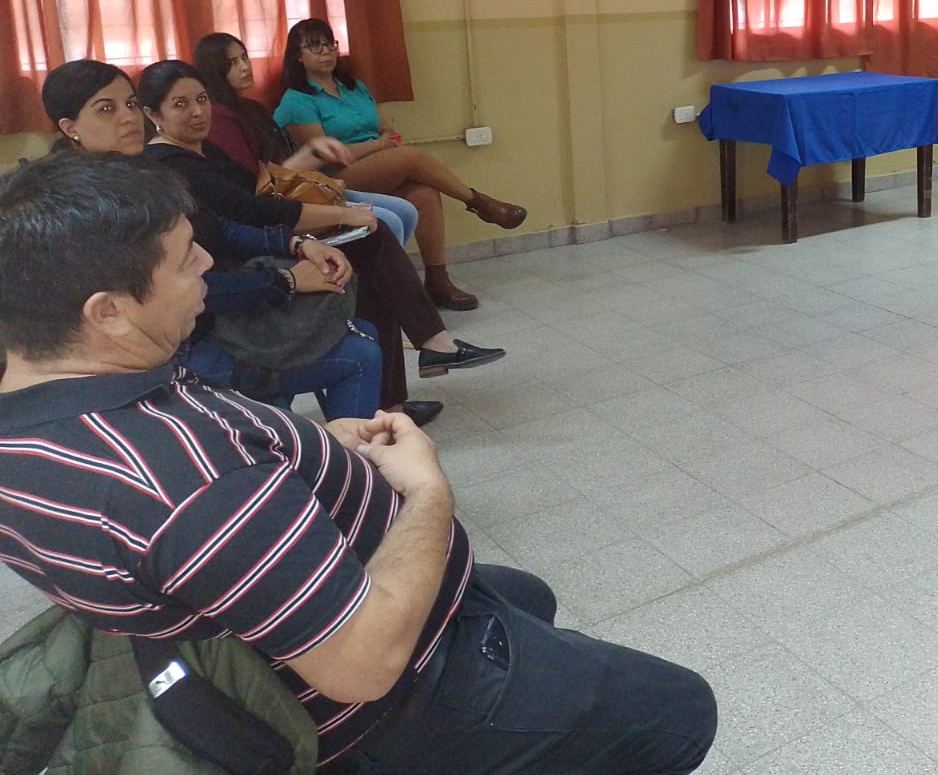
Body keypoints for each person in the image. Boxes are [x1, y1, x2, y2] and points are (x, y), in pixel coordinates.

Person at [0, 151, 718, 774]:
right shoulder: (188, 483)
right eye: (187, 259)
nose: (208, 265)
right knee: (682, 710)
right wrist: (428, 494)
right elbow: (361, 665)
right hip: (387, 701)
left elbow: (196, 508)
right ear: (107, 312)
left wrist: (304, 447)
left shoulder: (49, 402)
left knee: (526, 595)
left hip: (273, 620)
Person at [136, 61, 505, 414]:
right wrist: (339, 216)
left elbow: (258, 188)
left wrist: (311, 157)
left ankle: (397, 394)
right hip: (244, 267)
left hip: (266, 241)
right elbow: (251, 210)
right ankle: (429, 346)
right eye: (180, 104)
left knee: (375, 266)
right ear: (153, 114)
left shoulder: (203, 149)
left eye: (201, 99)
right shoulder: (170, 162)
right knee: (371, 240)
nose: (198, 112)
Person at [42, 60, 385, 423]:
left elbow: (219, 228)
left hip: (207, 320)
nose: (128, 118)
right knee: (360, 354)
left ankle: (314, 440)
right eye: (106, 109)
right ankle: (332, 452)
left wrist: (296, 245)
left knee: (359, 328)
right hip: (173, 354)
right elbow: (181, 289)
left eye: (129, 104)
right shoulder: (90, 207)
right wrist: (286, 280)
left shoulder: (140, 174)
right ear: (70, 127)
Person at [276, 18, 528, 311]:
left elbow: (384, 128)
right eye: (315, 47)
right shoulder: (297, 100)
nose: (326, 53)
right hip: (334, 180)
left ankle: (438, 281)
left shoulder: (354, 87)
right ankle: (479, 203)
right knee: (408, 157)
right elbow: (325, 154)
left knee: (425, 194)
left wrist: (386, 141)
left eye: (329, 45)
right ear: (298, 56)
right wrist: (379, 146)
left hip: (377, 165)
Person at [193, 31, 421, 251]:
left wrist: (316, 154)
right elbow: (259, 186)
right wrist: (314, 154)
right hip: (277, 204)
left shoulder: (253, 108)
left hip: (298, 186)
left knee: (405, 211)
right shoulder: (220, 118)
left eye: (244, 57)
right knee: (388, 219)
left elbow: (284, 165)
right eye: (232, 63)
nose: (244, 67)